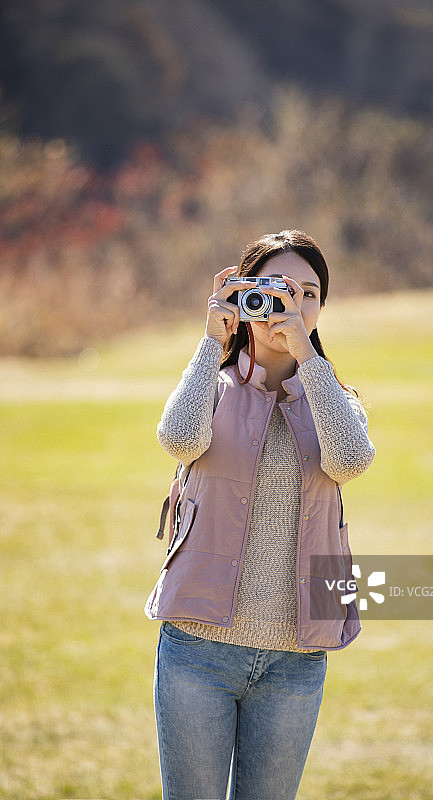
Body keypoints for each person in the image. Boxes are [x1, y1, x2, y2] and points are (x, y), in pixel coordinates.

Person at [145, 229, 375, 800]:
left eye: (309, 293)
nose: (292, 305)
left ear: (321, 309)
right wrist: (209, 342)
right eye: (277, 289)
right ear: (246, 297)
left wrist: (305, 356)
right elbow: (177, 438)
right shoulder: (213, 386)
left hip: (297, 658)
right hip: (197, 648)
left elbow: (349, 459)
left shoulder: (336, 400)